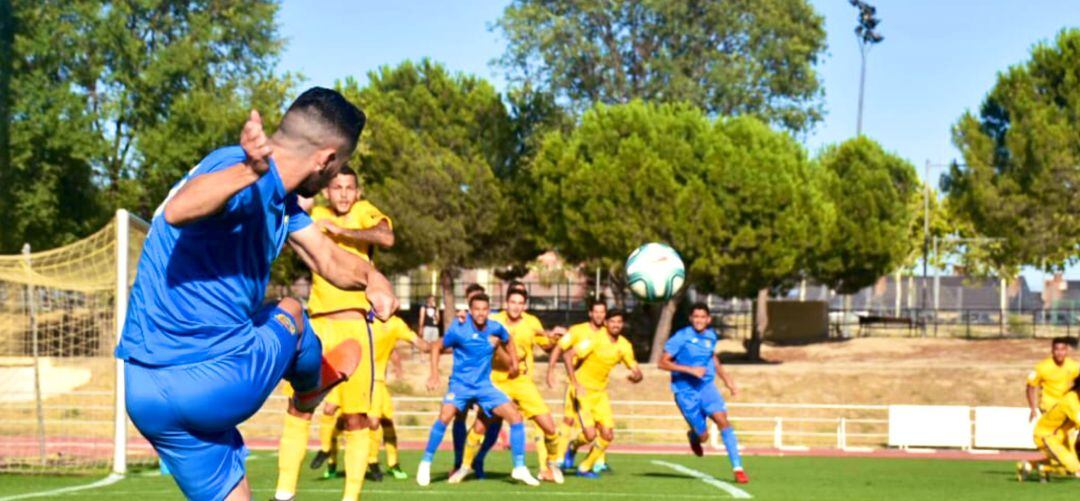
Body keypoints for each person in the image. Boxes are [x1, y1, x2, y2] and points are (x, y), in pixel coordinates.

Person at [117, 87, 398, 501]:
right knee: (290, 310)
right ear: (326, 159)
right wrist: (249, 171)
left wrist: (373, 278)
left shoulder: (280, 200)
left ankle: (310, 383)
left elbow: (327, 259)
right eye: (341, 165)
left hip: (144, 391)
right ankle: (311, 384)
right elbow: (180, 209)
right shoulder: (240, 170)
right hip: (216, 380)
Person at [273, 163, 395, 501]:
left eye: (349, 188)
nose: (343, 194)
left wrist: (341, 233)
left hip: (356, 326)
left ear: (357, 192)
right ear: (326, 189)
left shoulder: (365, 212)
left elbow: (386, 236)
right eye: (336, 187)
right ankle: (284, 494)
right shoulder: (315, 212)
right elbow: (284, 212)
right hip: (317, 326)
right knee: (299, 407)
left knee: (356, 418)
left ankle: (350, 497)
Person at [417, 293, 539, 487]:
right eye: (477, 309)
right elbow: (436, 346)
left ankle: (519, 467)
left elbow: (509, 340)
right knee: (445, 416)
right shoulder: (459, 329)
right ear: (471, 311)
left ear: (488, 310)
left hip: (484, 386)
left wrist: (514, 362)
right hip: (460, 385)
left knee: (515, 417)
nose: (481, 313)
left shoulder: (495, 327)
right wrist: (434, 373)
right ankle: (425, 462)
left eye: (484, 309)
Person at [455, 288, 566, 484]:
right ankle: (464, 467)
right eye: (512, 302)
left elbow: (546, 345)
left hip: (521, 380)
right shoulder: (494, 319)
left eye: (520, 303)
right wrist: (463, 317)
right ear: (506, 303)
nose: (516, 306)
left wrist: (555, 337)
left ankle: (553, 464)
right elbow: (472, 326)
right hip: (496, 380)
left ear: (525, 306)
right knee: (480, 426)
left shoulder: (532, 322)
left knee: (549, 427)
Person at [658, 303, 748, 485]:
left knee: (723, 421)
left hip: (706, 387)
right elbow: (662, 363)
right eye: (696, 317)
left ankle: (738, 468)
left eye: (702, 317)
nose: (699, 320)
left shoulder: (711, 336)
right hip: (685, 391)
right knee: (703, 436)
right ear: (691, 318)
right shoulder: (681, 337)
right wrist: (689, 370)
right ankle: (694, 436)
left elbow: (712, 358)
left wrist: (727, 381)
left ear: (708, 319)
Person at [555, 308, 643, 479]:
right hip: (583, 392)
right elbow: (568, 355)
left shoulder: (624, 346)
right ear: (605, 323)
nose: (616, 325)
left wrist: (637, 376)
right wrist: (575, 383)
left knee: (608, 435)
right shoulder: (594, 340)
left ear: (622, 324)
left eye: (619, 321)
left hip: (600, 395)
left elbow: (636, 370)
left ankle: (584, 467)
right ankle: (572, 447)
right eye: (612, 321)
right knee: (589, 435)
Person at [546, 299, 609, 470]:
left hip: (597, 388)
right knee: (568, 419)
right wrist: (550, 369)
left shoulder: (607, 333)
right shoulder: (577, 330)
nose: (599, 315)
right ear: (590, 313)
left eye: (602, 312)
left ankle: (598, 461)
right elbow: (560, 347)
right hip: (576, 385)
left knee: (600, 424)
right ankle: (559, 457)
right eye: (596, 312)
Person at [1020, 377, 1080, 481]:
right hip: (1046, 436)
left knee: (1068, 467)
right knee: (1075, 468)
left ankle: (1030, 466)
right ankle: (1044, 468)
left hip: (1061, 438)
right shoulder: (1071, 401)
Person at [1027, 337, 1079, 422]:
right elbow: (1030, 386)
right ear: (1052, 350)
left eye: (1062, 349)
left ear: (1066, 351)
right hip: (1048, 406)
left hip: (1066, 406)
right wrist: (1033, 409)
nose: (1060, 353)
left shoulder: (1073, 366)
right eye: (1057, 350)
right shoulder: (1042, 367)